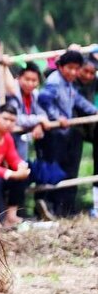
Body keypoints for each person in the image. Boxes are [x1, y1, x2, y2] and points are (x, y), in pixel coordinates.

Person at [38, 50, 97, 216]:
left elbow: (77, 99)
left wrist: (94, 111)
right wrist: (57, 117)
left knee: (68, 170)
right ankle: (50, 208)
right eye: (69, 68)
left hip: (65, 132)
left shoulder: (68, 82)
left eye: (76, 68)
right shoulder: (55, 81)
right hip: (54, 133)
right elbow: (43, 100)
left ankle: (65, 211)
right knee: (54, 170)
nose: (73, 72)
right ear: (61, 67)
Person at [6, 63, 50, 161]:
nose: (30, 84)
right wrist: (39, 119)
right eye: (27, 79)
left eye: (34, 80)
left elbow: (42, 112)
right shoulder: (13, 92)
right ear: (19, 78)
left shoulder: (35, 94)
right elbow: (15, 118)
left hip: (23, 137)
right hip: (10, 136)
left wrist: (39, 124)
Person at [74, 57, 98, 216]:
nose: (88, 75)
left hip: (92, 128)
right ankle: (62, 208)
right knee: (71, 167)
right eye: (85, 71)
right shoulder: (69, 81)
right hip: (73, 129)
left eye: (92, 72)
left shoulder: (94, 82)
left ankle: (96, 206)